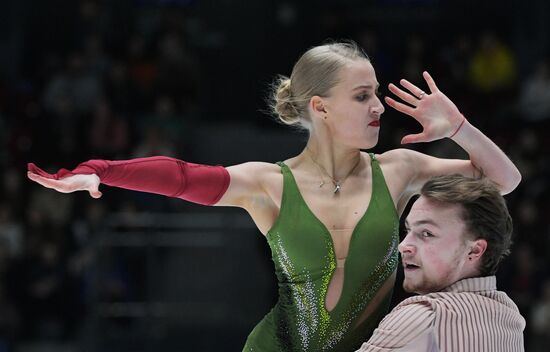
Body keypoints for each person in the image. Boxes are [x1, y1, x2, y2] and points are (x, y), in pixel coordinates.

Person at [27, 41, 521, 351]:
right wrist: (98, 171)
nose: (378, 107)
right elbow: (180, 176)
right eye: (362, 96)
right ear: (320, 107)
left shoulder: (399, 169)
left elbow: (503, 180)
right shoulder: (268, 184)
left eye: (376, 94)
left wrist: (457, 126)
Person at [357, 174, 525, 352]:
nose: (403, 245)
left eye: (427, 233)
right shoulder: (512, 319)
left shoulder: (423, 316)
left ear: (475, 250)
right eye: (408, 230)